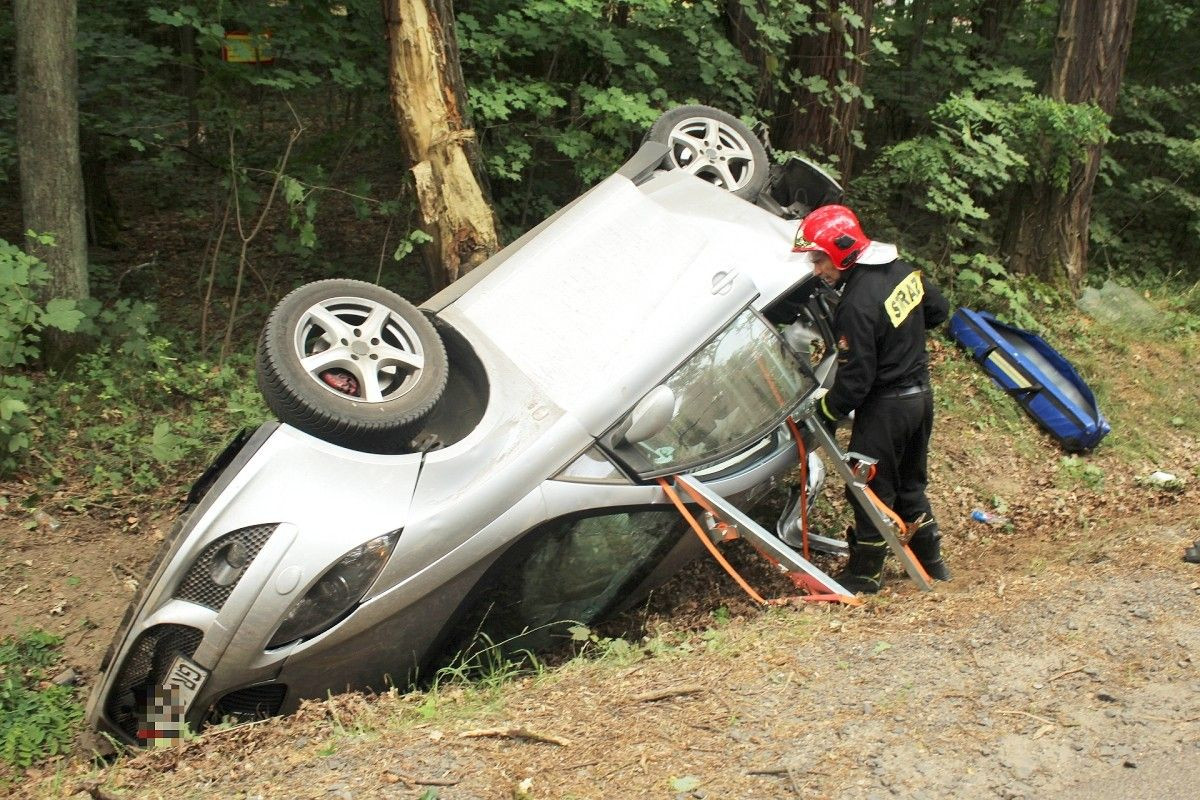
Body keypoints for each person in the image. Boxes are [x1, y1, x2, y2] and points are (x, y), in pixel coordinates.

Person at [792, 205, 950, 593]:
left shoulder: (856, 304)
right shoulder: (902, 270)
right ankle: (934, 565)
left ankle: (864, 576)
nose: (817, 270)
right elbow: (937, 311)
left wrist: (825, 411)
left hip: (886, 409)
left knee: (868, 489)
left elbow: (857, 380)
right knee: (911, 485)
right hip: (920, 400)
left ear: (841, 251)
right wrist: (902, 338)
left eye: (820, 259)